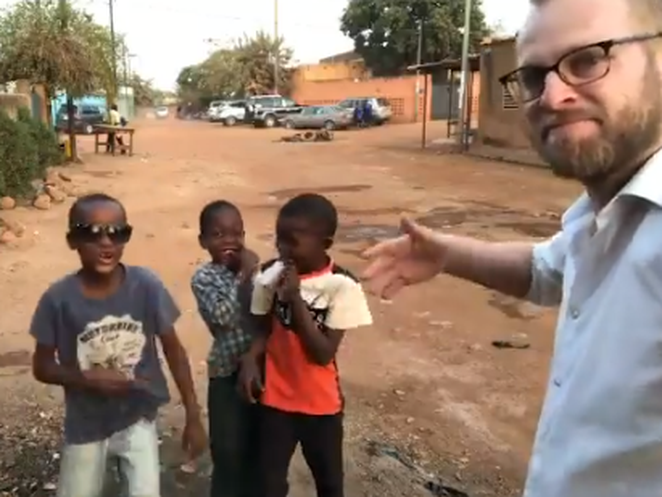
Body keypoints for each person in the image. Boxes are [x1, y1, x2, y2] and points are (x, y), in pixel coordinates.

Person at [361, 0, 662, 495]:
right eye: (534, 77)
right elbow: (546, 268)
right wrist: (446, 253)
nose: (553, 96)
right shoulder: (606, 213)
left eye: (588, 60)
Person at [30, 193, 207, 497]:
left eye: (118, 232)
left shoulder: (146, 286)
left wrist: (193, 414)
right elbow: (42, 366)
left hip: (138, 416)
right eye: (92, 233)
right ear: (72, 240)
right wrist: (85, 378)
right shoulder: (57, 300)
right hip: (86, 424)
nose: (106, 243)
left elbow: (174, 350)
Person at [239, 193, 373, 497]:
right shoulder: (269, 274)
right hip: (276, 400)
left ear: (324, 244)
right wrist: (251, 357)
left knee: (329, 484)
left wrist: (295, 299)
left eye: (293, 242)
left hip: (320, 405)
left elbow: (322, 353)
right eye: (279, 239)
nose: (283, 249)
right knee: (269, 485)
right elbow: (262, 328)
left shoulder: (342, 285)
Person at [190, 200, 261, 497]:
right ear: (203, 241)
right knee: (227, 450)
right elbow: (224, 317)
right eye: (218, 235)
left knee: (259, 449)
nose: (229, 241)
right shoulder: (204, 278)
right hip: (226, 373)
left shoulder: (260, 274)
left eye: (236, 233)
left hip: (262, 371)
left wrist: (254, 274)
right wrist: (245, 276)